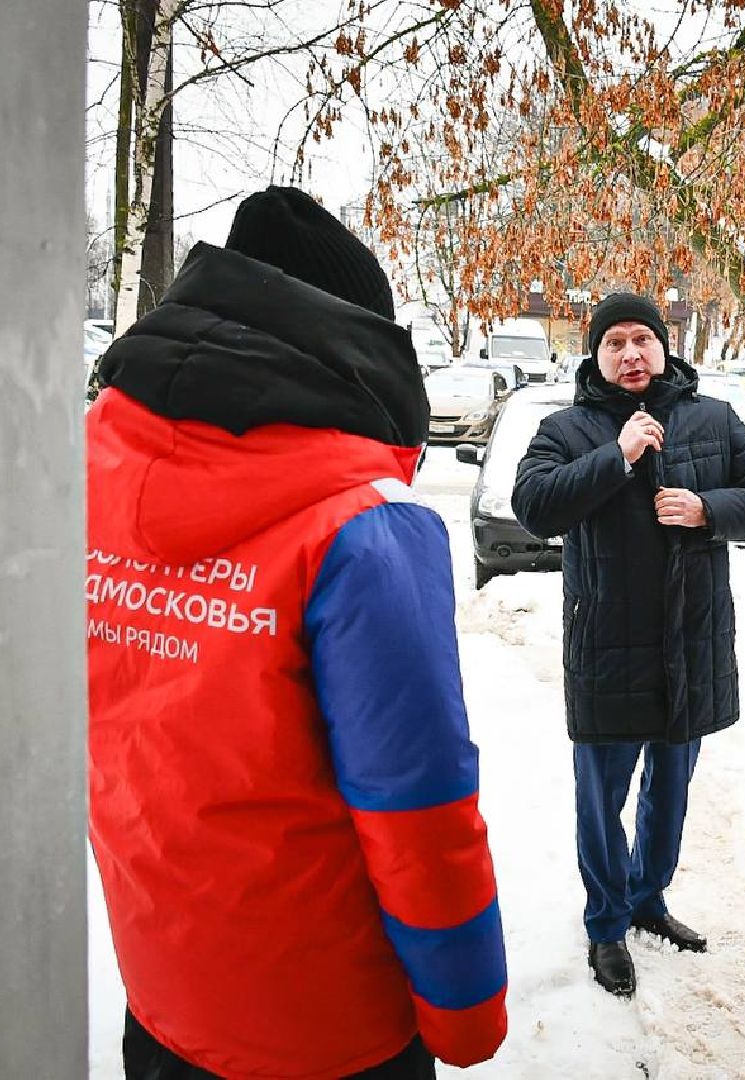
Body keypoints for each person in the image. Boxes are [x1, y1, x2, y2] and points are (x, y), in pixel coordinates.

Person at [87, 186, 507, 1079]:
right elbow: (417, 808)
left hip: (163, 992)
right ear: (356, 345)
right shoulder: (364, 526)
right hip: (327, 1028)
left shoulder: (90, 461)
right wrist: (467, 1014)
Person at [511, 292, 745, 997]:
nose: (630, 353)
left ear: (663, 347)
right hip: (607, 644)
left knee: (669, 790)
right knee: (599, 799)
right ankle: (605, 924)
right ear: (595, 355)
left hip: (688, 642)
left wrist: (708, 510)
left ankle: (648, 898)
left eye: (642, 339)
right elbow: (535, 508)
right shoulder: (565, 429)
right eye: (614, 343)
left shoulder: (714, 419)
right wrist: (616, 456)